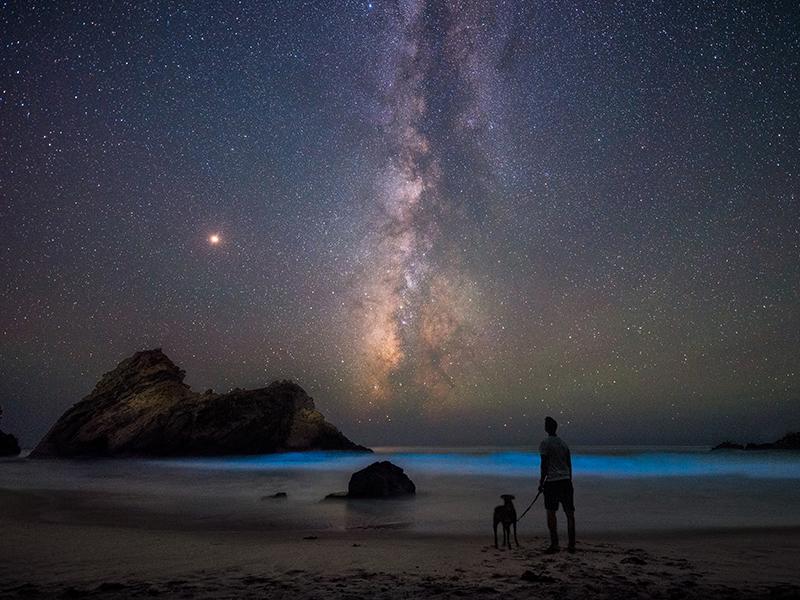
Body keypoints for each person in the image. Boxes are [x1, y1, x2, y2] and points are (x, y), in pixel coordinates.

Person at [538, 416, 575, 553]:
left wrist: (541, 482)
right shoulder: (563, 444)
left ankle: (555, 544)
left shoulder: (545, 443)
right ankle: (571, 545)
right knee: (569, 514)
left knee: (551, 513)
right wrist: (569, 479)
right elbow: (569, 464)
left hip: (552, 482)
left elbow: (544, 464)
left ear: (547, 428)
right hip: (565, 481)